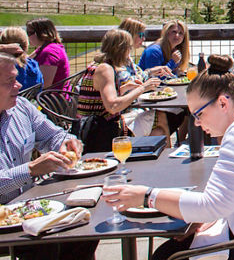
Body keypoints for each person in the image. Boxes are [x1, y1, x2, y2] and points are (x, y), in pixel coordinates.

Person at [104, 55, 234, 260]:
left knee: (166, 255)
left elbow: (211, 205)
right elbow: (224, 199)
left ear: (223, 103)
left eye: (199, 114)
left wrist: (146, 196)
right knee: (172, 249)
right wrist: (205, 217)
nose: (196, 123)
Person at [0, 53, 97, 260]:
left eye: (16, 78)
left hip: (29, 208)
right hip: (9, 219)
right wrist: (31, 169)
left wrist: (66, 143)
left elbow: (54, 134)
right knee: (45, 246)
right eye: (10, 82)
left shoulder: (22, 108)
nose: (18, 85)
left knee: (85, 227)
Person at [77, 29, 164, 153]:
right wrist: (142, 88)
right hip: (100, 132)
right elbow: (112, 106)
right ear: (122, 49)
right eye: (129, 48)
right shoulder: (105, 69)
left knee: (156, 123)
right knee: (159, 125)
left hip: (89, 127)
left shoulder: (97, 64)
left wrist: (124, 89)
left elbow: (99, 97)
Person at [119, 18, 184, 138]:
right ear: (129, 35)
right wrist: (171, 63)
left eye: (180, 33)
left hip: (136, 104)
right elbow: (127, 85)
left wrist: (149, 72)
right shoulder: (153, 51)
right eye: (141, 35)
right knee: (164, 117)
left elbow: (138, 76)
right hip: (129, 110)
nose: (144, 39)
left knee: (177, 114)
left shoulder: (127, 58)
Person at [26, 18, 70, 89]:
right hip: (49, 95)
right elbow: (26, 60)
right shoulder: (45, 47)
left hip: (51, 97)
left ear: (40, 33)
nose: (27, 36)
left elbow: (45, 84)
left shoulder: (49, 52)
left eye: (29, 33)